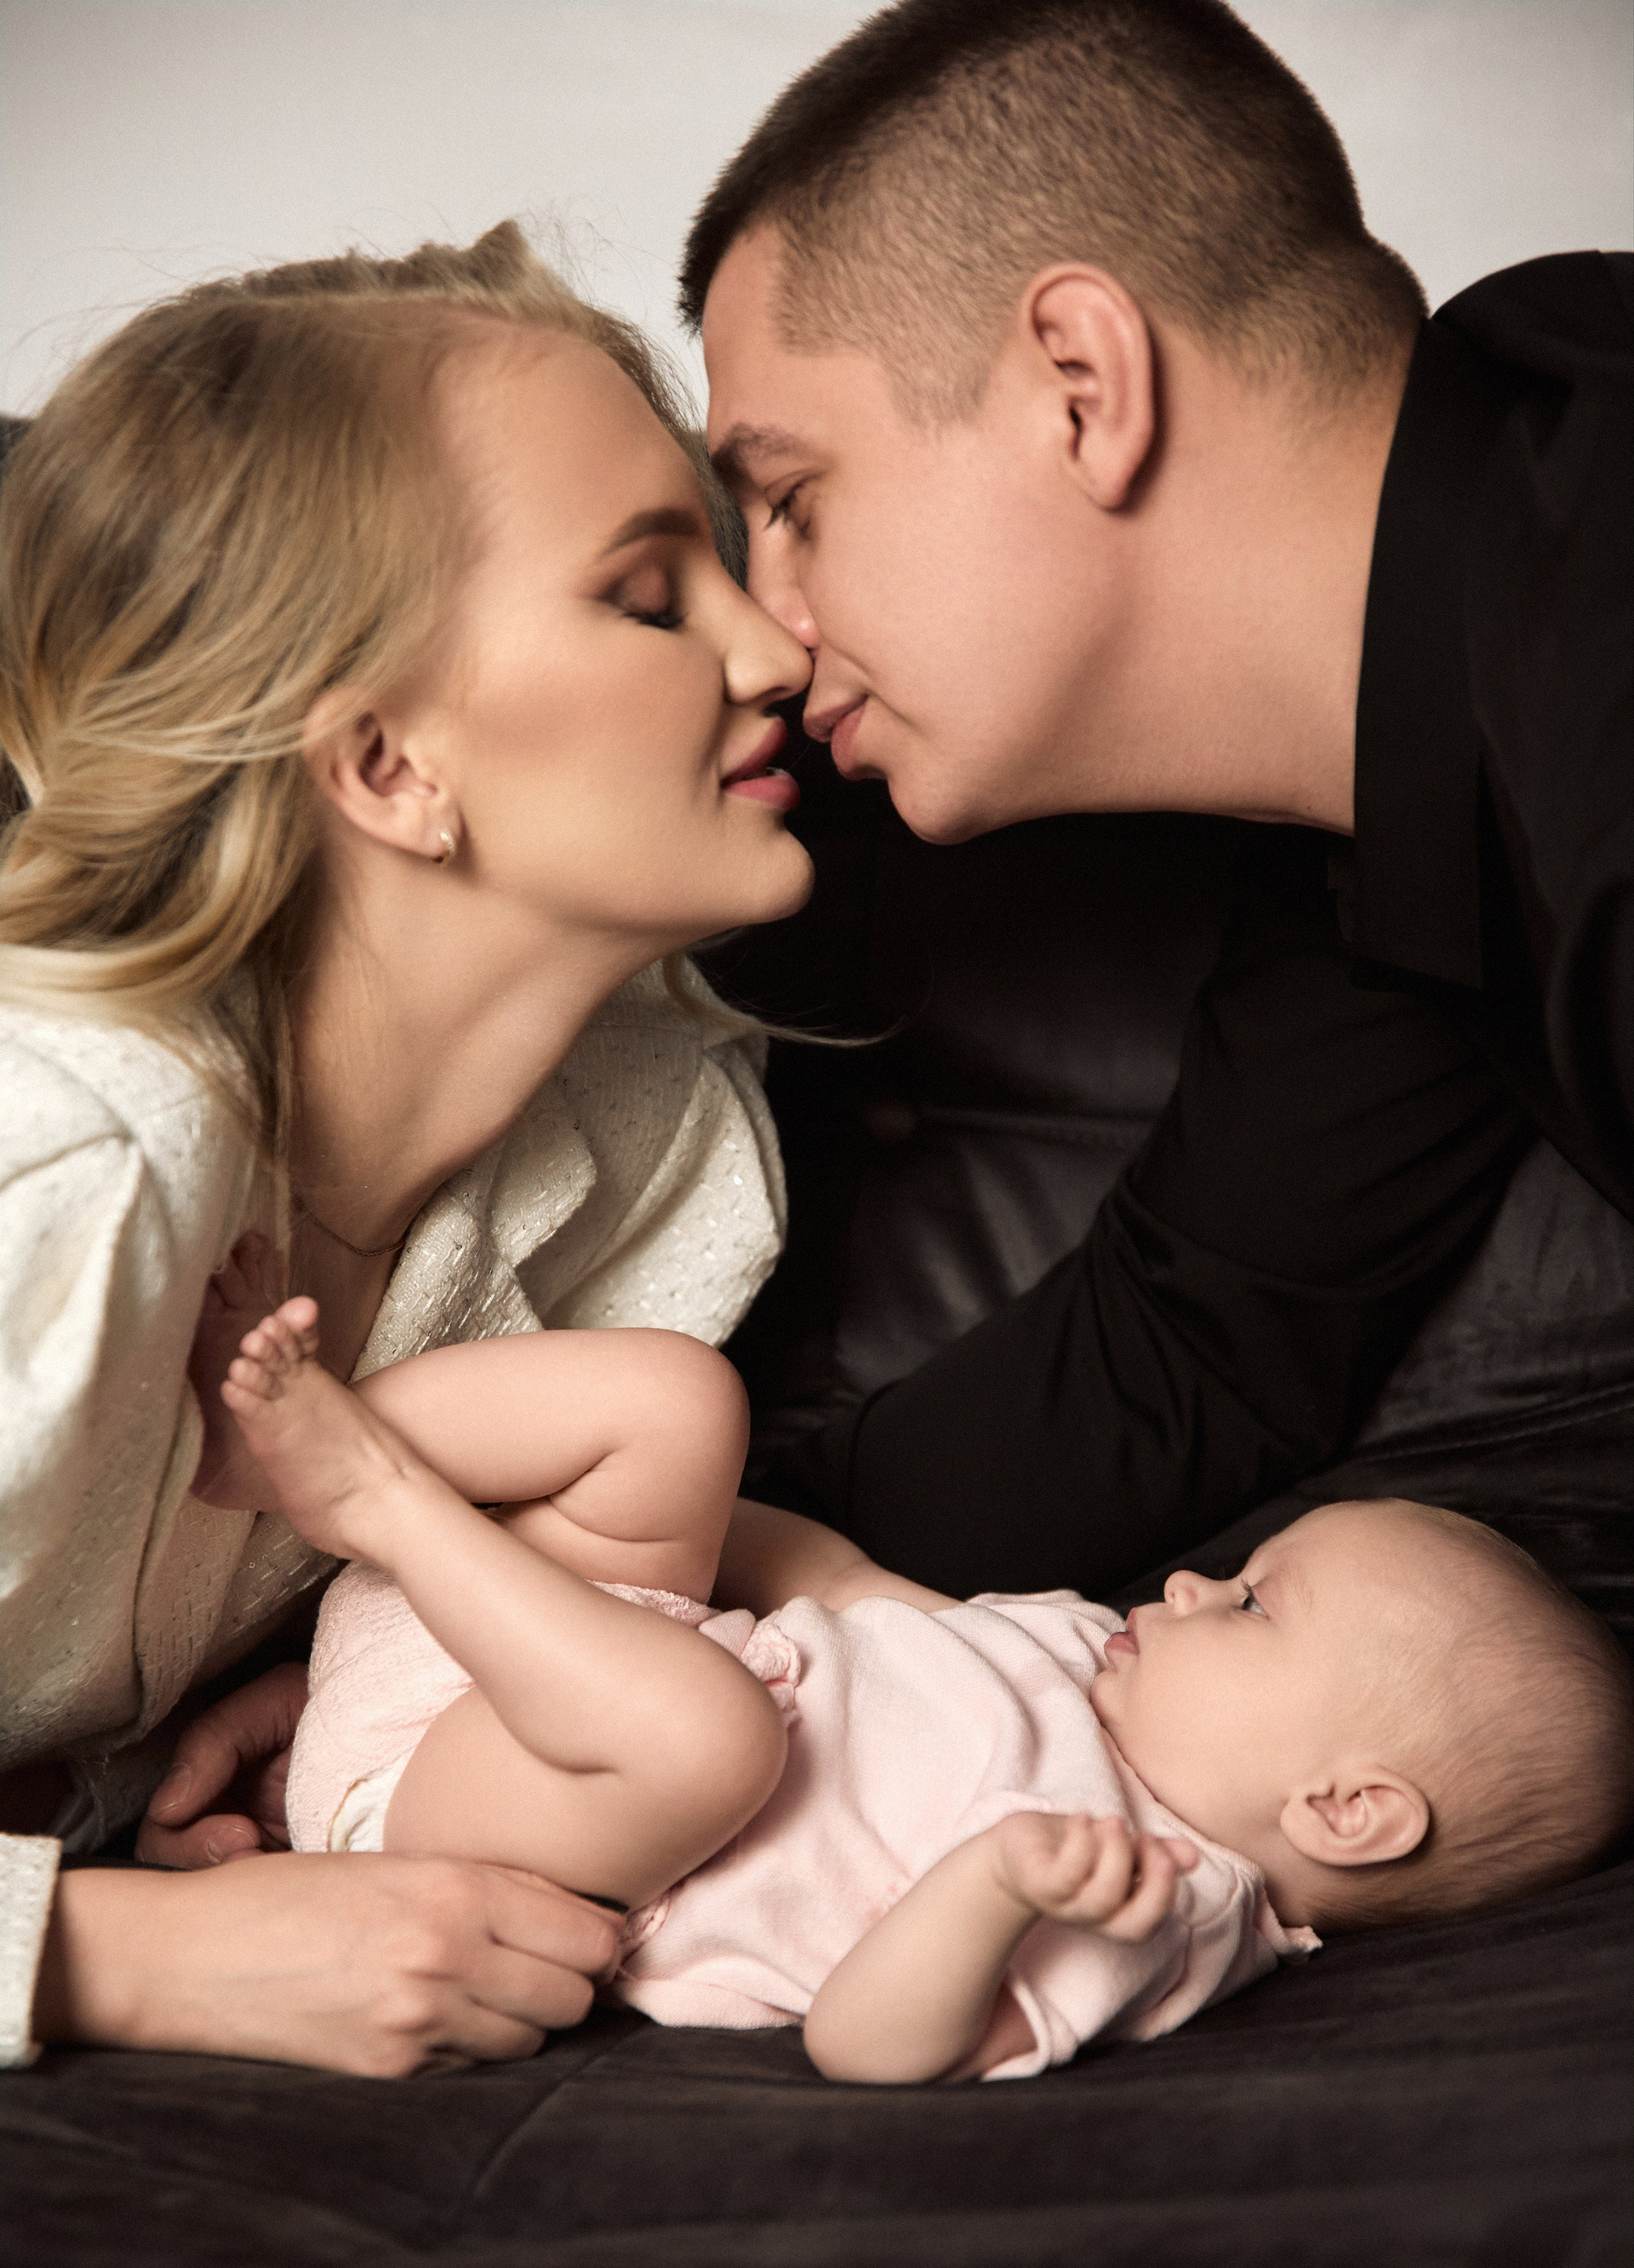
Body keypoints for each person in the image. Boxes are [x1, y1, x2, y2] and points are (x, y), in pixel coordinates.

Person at [683, 0, 1633, 1597]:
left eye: (793, 501)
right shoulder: (1401, 769)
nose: (767, 637)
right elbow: (1196, 1349)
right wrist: (502, 1623)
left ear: (1082, 382)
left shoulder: (1590, 680)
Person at [0, 221, 814, 2072]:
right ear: (385, 767)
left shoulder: (659, 1160)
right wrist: (114, 1959)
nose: (777, 648)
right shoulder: (63, 1167)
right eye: (650, 595)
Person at [209, 1285, 1633, 2083]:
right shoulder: (1088, 1650)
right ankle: (251, 1469)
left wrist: (995, 1888)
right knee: (684, 1401)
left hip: (487, 1834)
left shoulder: (1158, 1900)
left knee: (711, 1739)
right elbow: (835, 1586)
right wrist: (583, 1545)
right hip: (511, 1672)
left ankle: (381, 1493)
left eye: (1253, 1604)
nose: (1196, 1586)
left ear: (1344, 1809)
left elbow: (868, 2046)